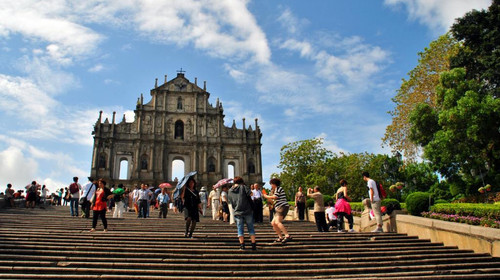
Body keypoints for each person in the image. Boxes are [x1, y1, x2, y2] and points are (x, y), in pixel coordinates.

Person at [228, 176, 257, 251]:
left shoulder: (230, 190)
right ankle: (253, 245)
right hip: (247, 210)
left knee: (240, 228)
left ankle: (242, 245)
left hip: (237, 211)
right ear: (241, 181)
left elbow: (230, 201)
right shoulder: (243, 187)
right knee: (250, 227)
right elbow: (251, 194)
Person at [262, 178, 292, 244]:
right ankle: (280, 237)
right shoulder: (276, 190)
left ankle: (287, 235)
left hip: (282, 206)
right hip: (278, 207)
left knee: (277, 222)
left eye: (271, 184)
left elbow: (275, 197)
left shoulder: (278, 188)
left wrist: (266, 196)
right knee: (273, 223)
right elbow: (274, 200)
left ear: (274, 184)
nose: (271, 186)